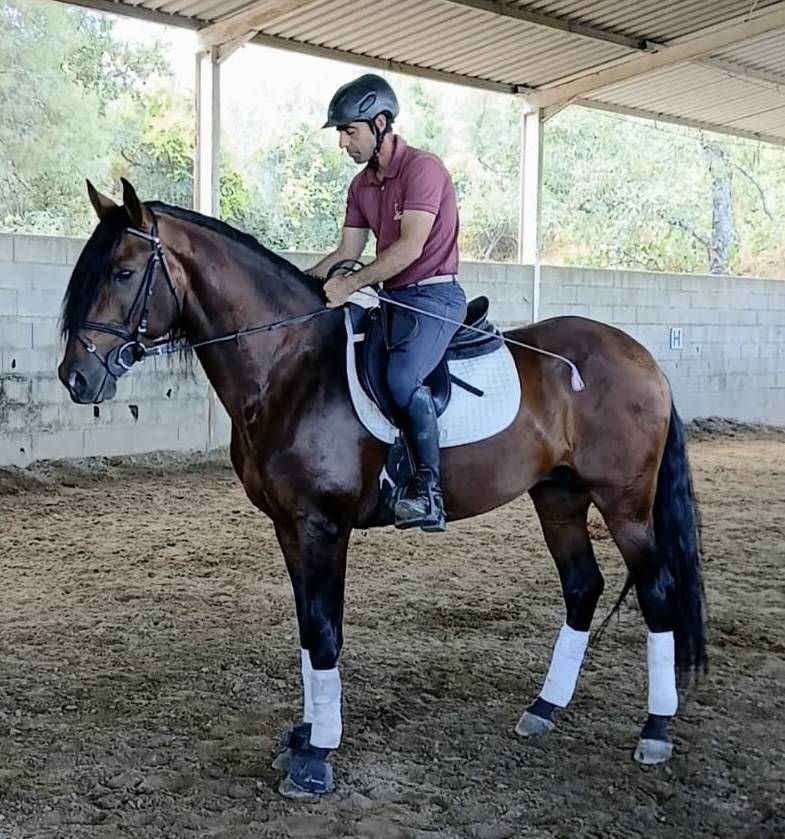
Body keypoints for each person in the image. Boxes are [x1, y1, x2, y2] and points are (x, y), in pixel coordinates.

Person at [309, 73, 467, 533]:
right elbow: (345, 253)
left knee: (401, 379)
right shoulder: (361, 187)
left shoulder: (424, 170)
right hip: (392, 299)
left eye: (349, 131)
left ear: (380, 123)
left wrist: (351, 283)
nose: (342, 142)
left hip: (434, 295)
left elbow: (410, 247)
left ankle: (429, 493)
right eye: (341, 132)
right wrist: (299, 284)